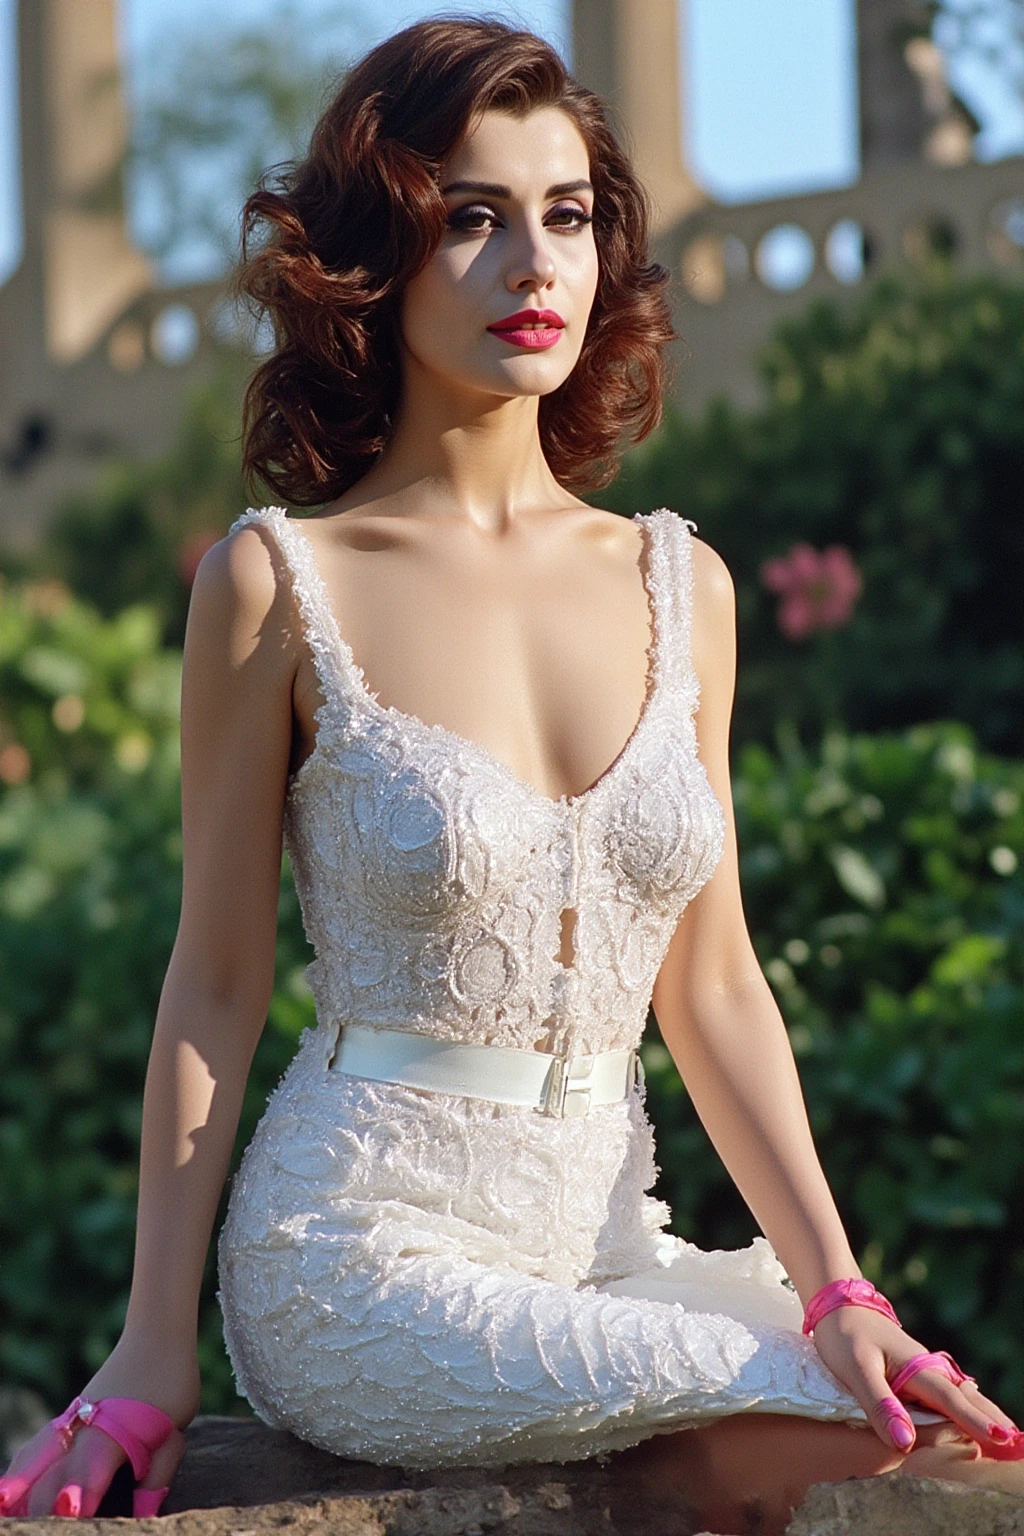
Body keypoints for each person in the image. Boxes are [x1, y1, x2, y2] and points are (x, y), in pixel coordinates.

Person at [3, 17, 1022, 1533]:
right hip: (357, 1250)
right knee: (816, 1442)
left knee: (929, 1431)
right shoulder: (280, 584)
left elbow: (718, 985)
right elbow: (213, 980)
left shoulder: (687, 587)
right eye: (470, 218)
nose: (532, 265)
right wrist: (154, 1353)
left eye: (567, 215)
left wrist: (836, 1284)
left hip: (610, 1239)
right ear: (379, 252)